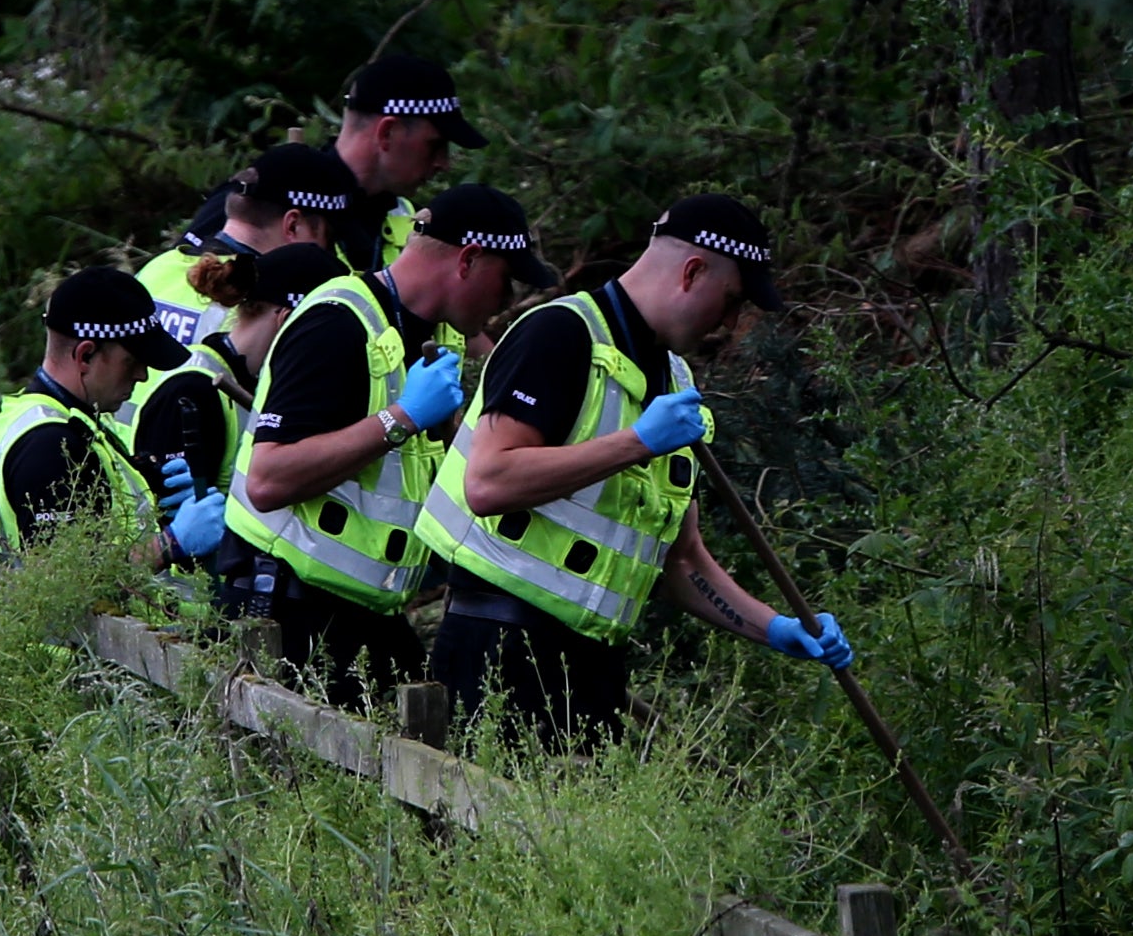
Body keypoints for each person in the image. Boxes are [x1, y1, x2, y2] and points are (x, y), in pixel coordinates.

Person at [418, 192, 853, 742]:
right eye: (731, 300)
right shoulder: (559, 334)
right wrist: (638, 442)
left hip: (593, 666)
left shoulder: (676, 382)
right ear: (692, 271)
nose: (730, 322)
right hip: (498, 651)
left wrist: (778, 628)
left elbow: (683, 560)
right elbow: (488, 482)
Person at [226, 183, 551, 702]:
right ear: (468, 260)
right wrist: (400, 418)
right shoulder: (336, 322)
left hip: (363, 612)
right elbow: (268, 479)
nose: (505, 301)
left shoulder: (433, 335)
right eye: (505, 281)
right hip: (284, 608)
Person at [120, 240, 348, 592]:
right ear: (289, 321)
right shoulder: (194, 391)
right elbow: (168, 533)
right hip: (187, 620)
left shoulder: (257, 384)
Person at [0, 267, 231, 563]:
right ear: (85, 355)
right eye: (131, 362)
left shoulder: (73, 418)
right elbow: (68, 582)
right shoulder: (50, 447)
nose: (142, 375)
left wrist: (150, 490)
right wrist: (170, 544)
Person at [136, 144, 359, 349]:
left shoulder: (156, 270)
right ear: (292, 226)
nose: (332, 255)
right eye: (330, 240)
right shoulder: (266, 306)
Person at [334, 55, 483, 271]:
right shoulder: (286, 216)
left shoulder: (415, 221)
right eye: (434, 145)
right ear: (387, 133)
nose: (444, 164)